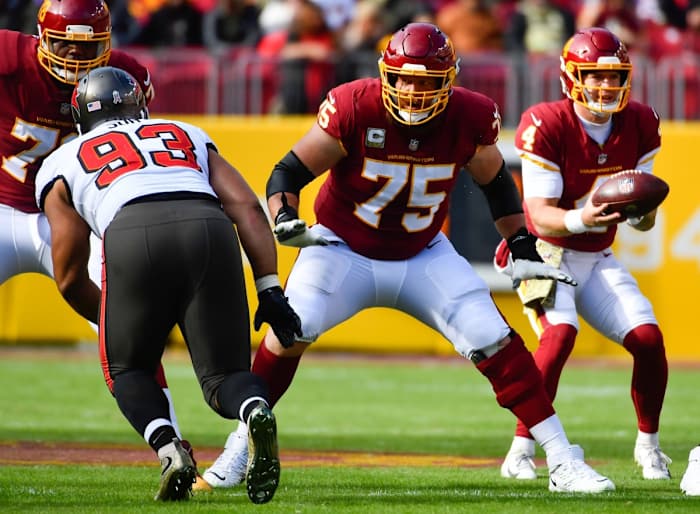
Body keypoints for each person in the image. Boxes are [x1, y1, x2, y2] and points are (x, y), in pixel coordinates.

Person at [197, 22, 616, 494]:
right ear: (386, 75)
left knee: (494, 338)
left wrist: (520, 241)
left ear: (449, 81)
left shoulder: (470, 115)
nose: (414, 92)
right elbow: (288, 172)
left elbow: (495, 182)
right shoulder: (356, 104)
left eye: (426, 82)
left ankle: (561, 459)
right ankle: (238, 450)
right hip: (341, 248)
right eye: (404, 79)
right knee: (291, 330)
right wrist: (284, 216)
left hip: (423, 252)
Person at [35, 66, 302, 503]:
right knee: (226, 377)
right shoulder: (184, 131)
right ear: (141, 105)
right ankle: (255, 409)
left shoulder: (61, 160)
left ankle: (169, 449)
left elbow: (67, 274)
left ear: (80, 116)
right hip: (209, 226)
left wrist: (115, 316)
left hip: (132, 231)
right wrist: (269, 288)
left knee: (128, 368)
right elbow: (248, 209)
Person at [0, 0, 205, 482]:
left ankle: (171, 446)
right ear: (40, 37)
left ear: (108, 43)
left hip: (74, 218)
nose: (74, 56)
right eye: (65, 43)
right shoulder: (8, 57)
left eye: (87, 45)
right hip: (6, 206)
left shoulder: (125, 76)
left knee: (127, 331)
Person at [493, 27, 670, 482]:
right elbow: (539, 214)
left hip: (597, 254)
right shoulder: (547, 123)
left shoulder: (641, 122)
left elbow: (642, 219)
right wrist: (586, 217)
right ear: (572, 76)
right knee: (560, 335)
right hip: (545, 251)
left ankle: (649, 447)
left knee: (648, 340)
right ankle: (519, 451)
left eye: (614, 77)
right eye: (595, 75)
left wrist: (639, 213)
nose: (606, 86)